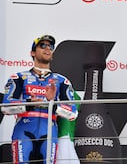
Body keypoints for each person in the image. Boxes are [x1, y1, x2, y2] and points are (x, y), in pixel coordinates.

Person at [1, 35, 78, 164]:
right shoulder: (19, 77)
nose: (48, 48)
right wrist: (29, 103)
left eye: (50, 46)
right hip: (23, 130)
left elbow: (72, 113)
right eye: (43, 45)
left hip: (49, 133)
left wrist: (52, 104)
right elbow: (5, 107)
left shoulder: (61, 81)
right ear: (32, 52)